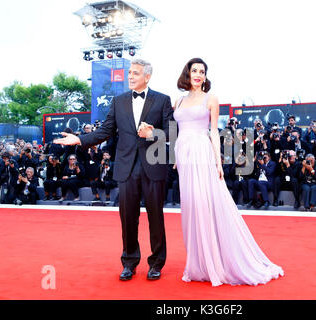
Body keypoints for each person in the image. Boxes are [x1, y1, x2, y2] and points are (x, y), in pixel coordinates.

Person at [54, 59, 173, 282]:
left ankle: (156, 262)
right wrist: (79, 139)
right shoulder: (118, 101)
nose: (130, 77)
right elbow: (105, 131)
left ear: (147, 77)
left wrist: (152, 133)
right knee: (128, 217)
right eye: (129, 73)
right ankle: (129, 261)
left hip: (154, 166)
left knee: (156, 217)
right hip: (126, 167)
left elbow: (172, 131)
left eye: (135, 73)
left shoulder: (163, 100)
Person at [173, 57, 283, 286]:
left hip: (202, 153)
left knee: (206, 205)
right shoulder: (179, 100)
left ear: (205, 76)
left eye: (202, 71)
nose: (198, 74)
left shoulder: (211, 99)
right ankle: (198, 264)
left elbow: (213, 132)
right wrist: (175, 155)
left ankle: (216, 262)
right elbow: (177, 130)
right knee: (191, 207)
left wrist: (217, 161)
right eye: (194, 70)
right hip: (184, 155)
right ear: (187, 73)